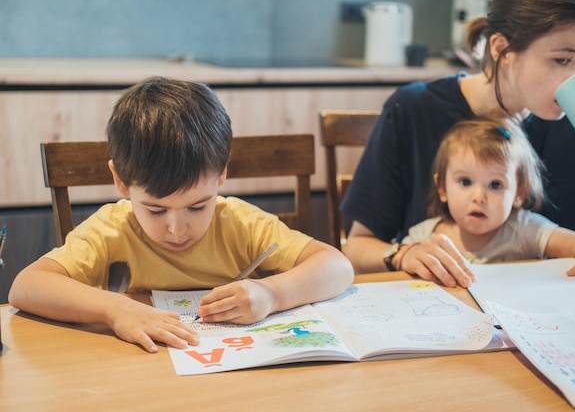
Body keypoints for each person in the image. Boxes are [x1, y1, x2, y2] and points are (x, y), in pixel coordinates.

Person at [8, 76, 354, 353]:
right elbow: (26, 286)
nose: (176, 228)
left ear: (221, 175)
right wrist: (115, 309)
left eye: (198, 206)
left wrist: (272, 294)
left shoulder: (240, 223)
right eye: (156, 209)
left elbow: (336, 266)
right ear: (121, 181)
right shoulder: (112, 229)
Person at [341, 0, 575, 281]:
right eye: (562, 59)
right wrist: (405, 254)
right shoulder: (414, 109)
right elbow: (357, 248)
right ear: (502, 49)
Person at [394, 117, 575, 288]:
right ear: (442, 188)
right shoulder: (425, 236)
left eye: (495, 185)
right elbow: (396, 279)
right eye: (465, 181)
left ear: (519, 193)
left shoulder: (526, 229)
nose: (478, 197)